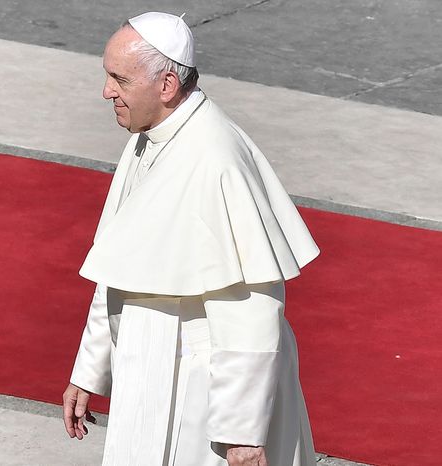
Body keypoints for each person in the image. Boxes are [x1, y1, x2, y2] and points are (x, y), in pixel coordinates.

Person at [62, 12, 321, 466]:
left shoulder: (214, 158)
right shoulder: (149, 137)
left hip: (199, 392)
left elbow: (251, 308)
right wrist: (89, 370)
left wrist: (242, 433)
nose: (106, 91)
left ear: (166, 85)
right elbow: (119, 266)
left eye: (119, 78)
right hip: (150, 372)